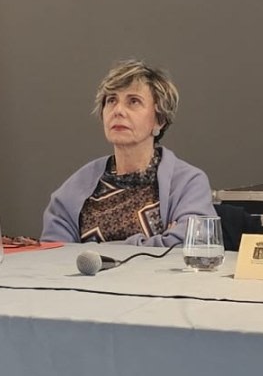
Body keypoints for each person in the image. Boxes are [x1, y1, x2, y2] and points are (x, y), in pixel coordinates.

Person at [42, 60, 216, 246]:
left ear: (159, 120)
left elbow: (192, 244)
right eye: (111, 100)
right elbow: (54, 254)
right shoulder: (75, 187)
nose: (118, 111)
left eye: (133, 101)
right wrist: (158, 242)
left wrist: (90, 251)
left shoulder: (188, 182)